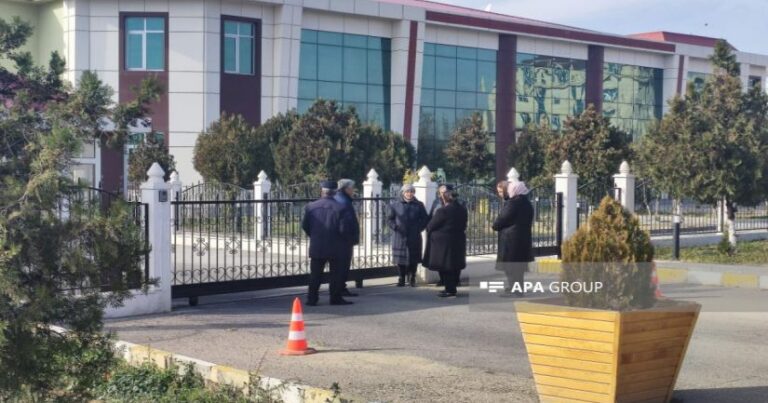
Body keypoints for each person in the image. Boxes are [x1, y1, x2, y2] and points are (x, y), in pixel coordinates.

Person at [301, 180, 353, 306]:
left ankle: (312, 298)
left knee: (315, 274)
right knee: (335, 274)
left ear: (322, 191)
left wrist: (315, 236)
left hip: (317, 245)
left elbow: (305, 226)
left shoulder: (311, 207)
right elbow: (344, 229)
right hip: (336, 247)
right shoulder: (341, 207)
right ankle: (335, 298)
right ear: (335, 192)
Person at [492, 180, 534, 297]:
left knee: (510, 267)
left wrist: (495, 225)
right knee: (518, 268)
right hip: (522, 239)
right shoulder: (527, 203)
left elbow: (502, 219)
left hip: (511, 240)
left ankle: (515, 291)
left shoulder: (513, 203)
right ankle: (517, 288)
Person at [425, 185, 468, 298]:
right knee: (454, 265)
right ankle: (452, 287)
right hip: (458, 240)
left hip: (444, 243)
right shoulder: (462, 209)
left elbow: (430, 226)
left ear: (444, 197)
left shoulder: (443, 211)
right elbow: (464, 225)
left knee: (447, 266)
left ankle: (450, 290)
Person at [387, 184, 429, 287]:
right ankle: (401, 278)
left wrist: (418, 228)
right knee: (400, 259)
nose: (409, 194)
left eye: (411, 192)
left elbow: (425, 219)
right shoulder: (395, 204)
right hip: (399, 236)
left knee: (413, 258)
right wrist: (396, 227)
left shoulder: (419, 205)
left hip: (414, 236)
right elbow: (389, 219)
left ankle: (412, 278)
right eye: (407, 192)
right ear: (403, 193)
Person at [334, 179, 360, 297]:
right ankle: (340, 289)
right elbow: (346, 223)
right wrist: (350, 238)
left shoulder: (339, 198)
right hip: (344, 241)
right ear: (346, 189)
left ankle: (339, 288)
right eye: (352, 188)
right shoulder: (344, 201)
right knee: (343, 265)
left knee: (339, 266)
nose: (353, 190)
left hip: (339, 240)